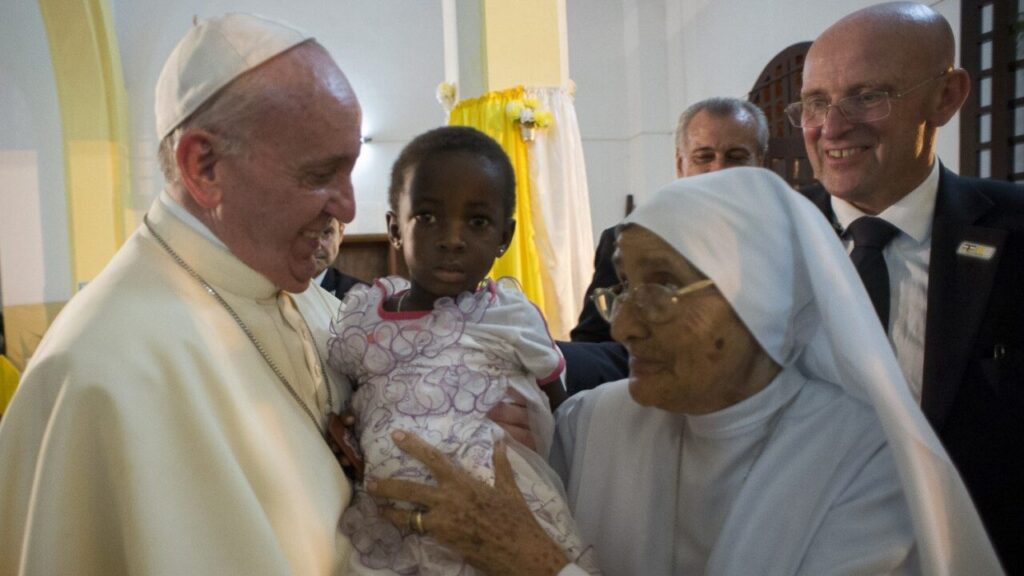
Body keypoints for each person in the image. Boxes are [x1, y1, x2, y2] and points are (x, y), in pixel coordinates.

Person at [368, 168, 1003, 575]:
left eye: (662, 287)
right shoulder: (596, 421)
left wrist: (537, 566)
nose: (621, 327)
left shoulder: (867, 466)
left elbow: (523, 550)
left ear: (764, 295)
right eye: (621, 288)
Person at [0, 14, 362, 574]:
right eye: (321, 174)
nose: (348, 207)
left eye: (351, 170)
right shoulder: (100, 375)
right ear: (204, 166)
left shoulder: (303, 296)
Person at [792, 3, 1024, 570]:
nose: (833, 127)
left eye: (868, 96)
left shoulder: (1015, 234)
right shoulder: (765, 244)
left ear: (946, 96)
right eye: (816, 103)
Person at [328, 126, 596, 575]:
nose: (452, 239)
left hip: (498, 511)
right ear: (395, 228)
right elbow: (348, 399)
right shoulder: (364, 319)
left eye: (476, 222)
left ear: (504, 237)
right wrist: (349, 426)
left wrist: (537, 428)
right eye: (429, 217)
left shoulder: (509, 316)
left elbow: (559, 405)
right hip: (393, 516)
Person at [560, 97, 768, 395]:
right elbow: (595, 345)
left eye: (736, 156)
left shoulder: (786, 242)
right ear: (680, 164)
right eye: (704, 156)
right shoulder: (624, 242)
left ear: (759, 161)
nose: (719, 170)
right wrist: (551, 360)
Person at [315, 217, 366, 300]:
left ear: (340, 234)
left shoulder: (364, 299)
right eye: (302, 232)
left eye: (326, 232)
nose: (316, 246)